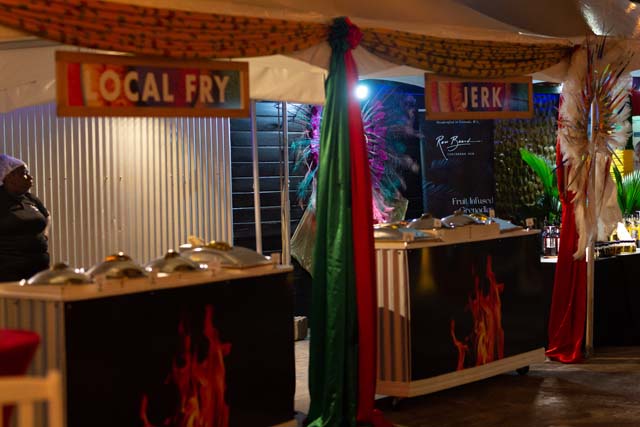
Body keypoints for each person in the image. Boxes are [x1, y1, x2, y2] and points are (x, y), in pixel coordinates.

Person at [0, 155, 50, 281]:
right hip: (10, 273)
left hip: (39, 268)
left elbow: (47, 215)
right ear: (9, 177)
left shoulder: (30, 198)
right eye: (24, 173)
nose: (30, 177)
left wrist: (44, 235)